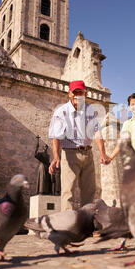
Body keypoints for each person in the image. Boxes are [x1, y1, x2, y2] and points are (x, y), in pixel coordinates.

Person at [48, 80, 111, 211]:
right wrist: (56, 156)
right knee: (68, 191)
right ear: (69, 94)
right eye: (74, 92)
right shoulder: (61, 112)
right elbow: (56, 137)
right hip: (70, 153)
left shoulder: (90, 110)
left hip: (88, 153)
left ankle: (87, 224)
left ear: (85, 94)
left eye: (80, 92)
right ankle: (68, 226)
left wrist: (103, 153)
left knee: (90, 191)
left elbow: (97, 132)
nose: (77, 95)